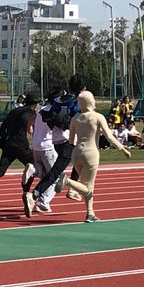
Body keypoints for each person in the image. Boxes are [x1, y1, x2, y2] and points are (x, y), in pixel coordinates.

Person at [55, 91, 132, 222]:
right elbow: (109, 136)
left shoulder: (75, 118)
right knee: (88, 187)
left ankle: (90, 212)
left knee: (87, 185)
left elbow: (71, 140)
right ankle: (67, 182)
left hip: (76, 153)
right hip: (91, 153)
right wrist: (122, 148)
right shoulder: (98, 117)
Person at [25, 75, 86, 215]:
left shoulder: (59, 100)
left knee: (78, 159)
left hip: (56, 140)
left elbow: (48, 115)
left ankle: (70, 186)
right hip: (68, 140)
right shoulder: (77, 102)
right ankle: (35, 195)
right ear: (82, 89)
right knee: (55, 172)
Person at [0, 94, 39, 209]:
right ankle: (26, 192)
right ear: (34, 104)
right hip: (21, 145)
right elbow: (30, 127)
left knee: (1, 169)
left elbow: (3, 125)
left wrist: (3, 140)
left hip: (8, 144)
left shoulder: (14, 111)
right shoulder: (31, 113)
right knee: (33, 165)